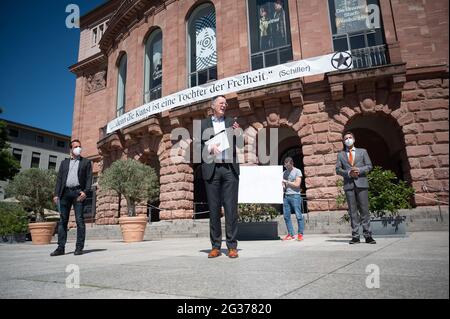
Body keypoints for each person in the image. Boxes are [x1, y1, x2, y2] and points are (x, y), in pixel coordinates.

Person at [198, 95, 242, 258]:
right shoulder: (202, 124)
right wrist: (209, 149)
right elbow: (197, 148)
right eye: (221, 103)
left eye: (226, 103)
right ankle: (215, 246)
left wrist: (238, 133)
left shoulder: (231, 122)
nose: (224, 105)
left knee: (231, 209)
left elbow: (240, 144)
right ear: (213, 106)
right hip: (212, 170)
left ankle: (232, 246)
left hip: (230, 169)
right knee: (214, 209)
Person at [50, 139, 93, 256]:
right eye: (76, 147)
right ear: (71, 149)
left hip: (78, 193)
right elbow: (59, 179)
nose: (78, 148)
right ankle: (60, 248)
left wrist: (86, 192)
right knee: (63, 220)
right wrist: (56, 194)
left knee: (79, 220)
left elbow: (89, 178)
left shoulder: (86, 162)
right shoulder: (64, 163)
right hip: (65, 194)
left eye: (80, 146)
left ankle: (79, 247)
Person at [336, 131, 376, 244]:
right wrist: (348, 173)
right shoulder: (341, 154)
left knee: (364, 210)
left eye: (350, 137)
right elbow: (338, 169)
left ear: (354, 139)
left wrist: (359, 170)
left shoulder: (363, 152)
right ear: (343, 142)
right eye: (345, 138)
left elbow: (369, 166)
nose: (348, 139)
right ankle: (355, 236)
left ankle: (368, 236)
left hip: (361, 183)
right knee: (353, 211)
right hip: (349, 185)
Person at [281, 157, 304, 241]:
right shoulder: (284, 173)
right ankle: (290, 234)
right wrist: (283, 186)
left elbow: (297, 184)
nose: (287, 168)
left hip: (295, 196)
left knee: (298, 215)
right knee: (286, 216)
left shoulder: (297, 171)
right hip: (286, 196)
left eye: (288, 166)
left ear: (292, 164)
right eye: (286, 166)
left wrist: (287, 182)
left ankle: (300, 234)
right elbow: (284, 185)